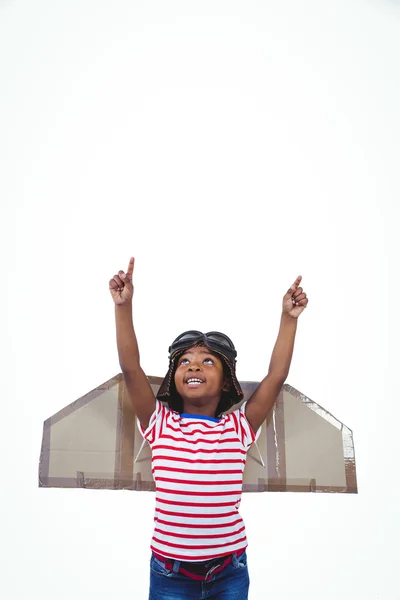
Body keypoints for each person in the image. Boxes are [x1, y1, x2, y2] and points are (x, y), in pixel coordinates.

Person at [109, 257, 308, 600]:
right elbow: (130, 368)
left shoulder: (238, 427)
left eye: (207, 361)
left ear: (226, 381)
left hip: (228, 572)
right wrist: (124, 308)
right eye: (184, 361)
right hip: (170, 575)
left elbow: (276, 376)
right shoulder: (159, 423)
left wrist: (287, 319)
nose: (194, 366)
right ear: (174, 377)